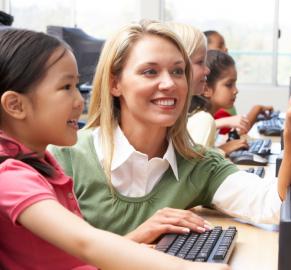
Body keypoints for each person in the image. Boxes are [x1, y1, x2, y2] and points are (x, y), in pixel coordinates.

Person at [49, 20, 291, 245]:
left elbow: (279, 206)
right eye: (150, 72)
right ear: (114, 84)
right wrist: (137, 238)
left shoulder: (198, 164)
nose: (169, 84)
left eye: (178, 71)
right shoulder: (65, 158)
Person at [0, 28, 229, 270]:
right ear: (15, 105)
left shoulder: (41, 162)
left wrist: (133, 242)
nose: (79, 101)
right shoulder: (10, 177)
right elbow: (85, 243)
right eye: (66, 87)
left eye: (77, 85)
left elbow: (73, 259)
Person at [166, 22, 247, 155]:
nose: (207, 70)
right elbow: (197, 168)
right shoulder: (203, 119)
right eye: (200, 62)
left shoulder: (183, 116)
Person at [204, 30, 273, 135]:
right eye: (220, 45)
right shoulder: (213, 111)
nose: (226, 49)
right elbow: (239, 131)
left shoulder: (222, 101)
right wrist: (256, 109)